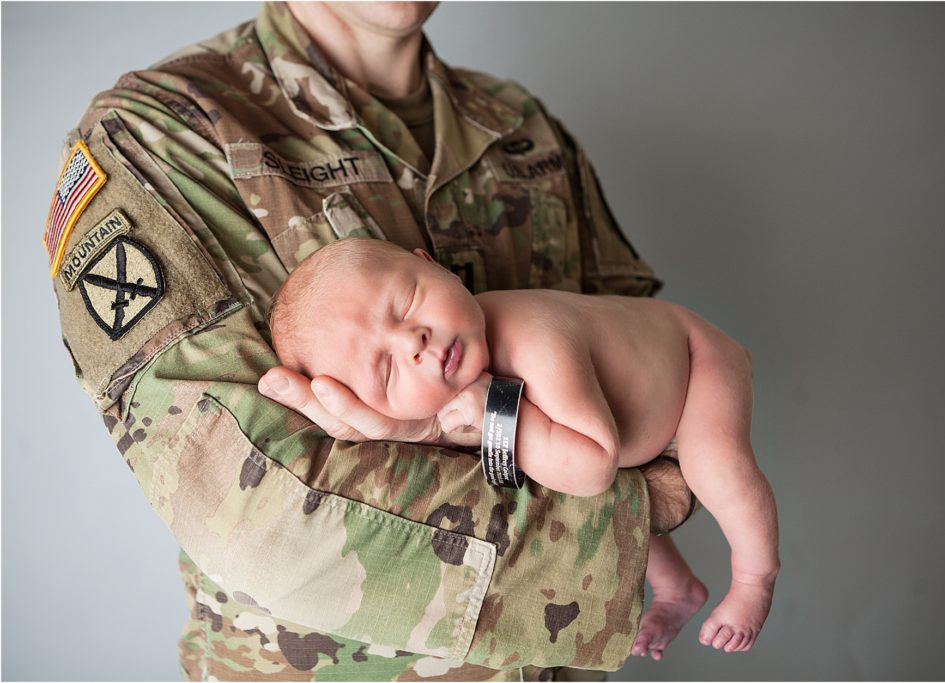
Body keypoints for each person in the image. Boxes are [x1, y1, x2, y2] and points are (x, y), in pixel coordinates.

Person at [45, 2, 707, 679]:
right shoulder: (162, 134)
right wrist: (633, 505)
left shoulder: (524, 129)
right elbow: (264, 525)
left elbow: (670, 383)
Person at [268, 238, 780, 659]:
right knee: (595, 492)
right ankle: (678, 588)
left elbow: (593, 468)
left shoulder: (531, 339)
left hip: (694, 365)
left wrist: (492, 406)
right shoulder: (459, 378)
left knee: (714, 465)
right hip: (631, 418)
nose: (413, 341)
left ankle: (756, 577)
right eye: (387, 370)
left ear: (434, 265)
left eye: (405, 304)